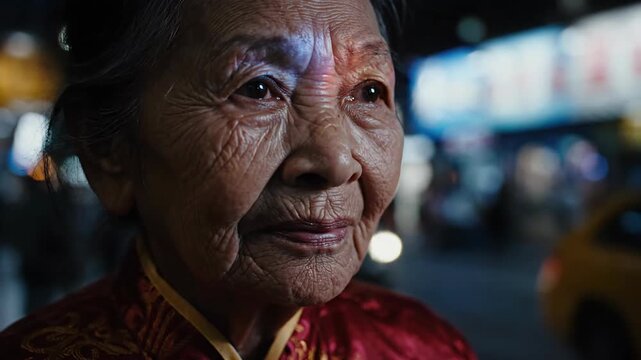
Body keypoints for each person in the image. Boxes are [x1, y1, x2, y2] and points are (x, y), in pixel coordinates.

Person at [0, 0, 476, 359]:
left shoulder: (424, 346)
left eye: (368, 92)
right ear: (110, 153)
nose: (334, 161)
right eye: (258, 88)